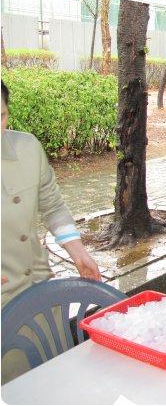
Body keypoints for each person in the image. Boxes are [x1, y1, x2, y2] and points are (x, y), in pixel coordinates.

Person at [1, 80, 101, 308]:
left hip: (36, 282)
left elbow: (52, 206)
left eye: (1, 116)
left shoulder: (27, 148)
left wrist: (79, 254)